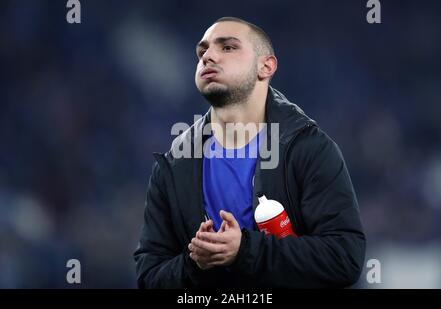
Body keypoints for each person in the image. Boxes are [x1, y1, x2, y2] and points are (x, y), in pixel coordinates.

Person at [134, 16, 366, 288]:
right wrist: (196, 263)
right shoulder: (174, 165)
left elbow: (344, 259)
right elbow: (149, 276)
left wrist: (244, 251)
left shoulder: (308, 149)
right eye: (202, 51)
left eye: (228, 47)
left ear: (265, 66)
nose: (208, 56)